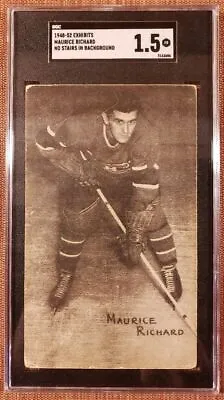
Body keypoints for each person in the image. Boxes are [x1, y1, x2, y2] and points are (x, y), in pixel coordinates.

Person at [35, 90, 182, 312]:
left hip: (128, 183)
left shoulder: (147, 135)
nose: (126, 130)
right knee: (74, 220)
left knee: (153, 214)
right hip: (90, 180)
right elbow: (43, 141)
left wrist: (135, 231)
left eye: (132, 122)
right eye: (119, 122)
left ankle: (169, 267)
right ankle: (65, 274)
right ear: (106, 119)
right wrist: (71, 165)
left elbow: (146, 184)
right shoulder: (81, 125)